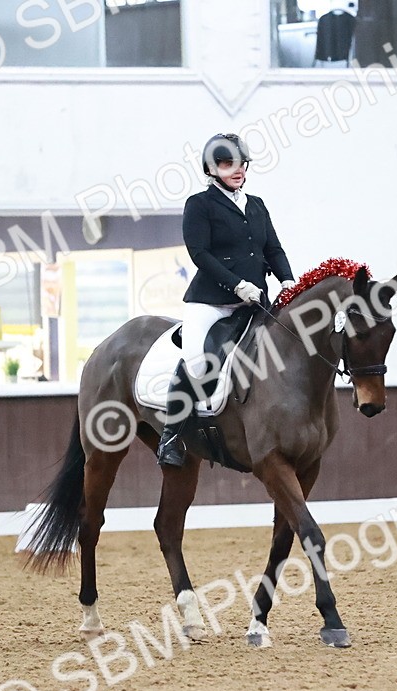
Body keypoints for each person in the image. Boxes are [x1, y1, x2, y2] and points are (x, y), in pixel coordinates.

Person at [155, 133, 297, 467]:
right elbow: (199, 253)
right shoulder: (200, 204)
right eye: (226, 164)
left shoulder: (257, 205)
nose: (236, 170)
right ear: (211, 168)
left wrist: (287, 279)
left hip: (255, 302)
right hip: (212, 303)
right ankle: (171, 437)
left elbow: (272, 249)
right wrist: (236, 285)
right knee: (198, 360)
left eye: (240, 163)